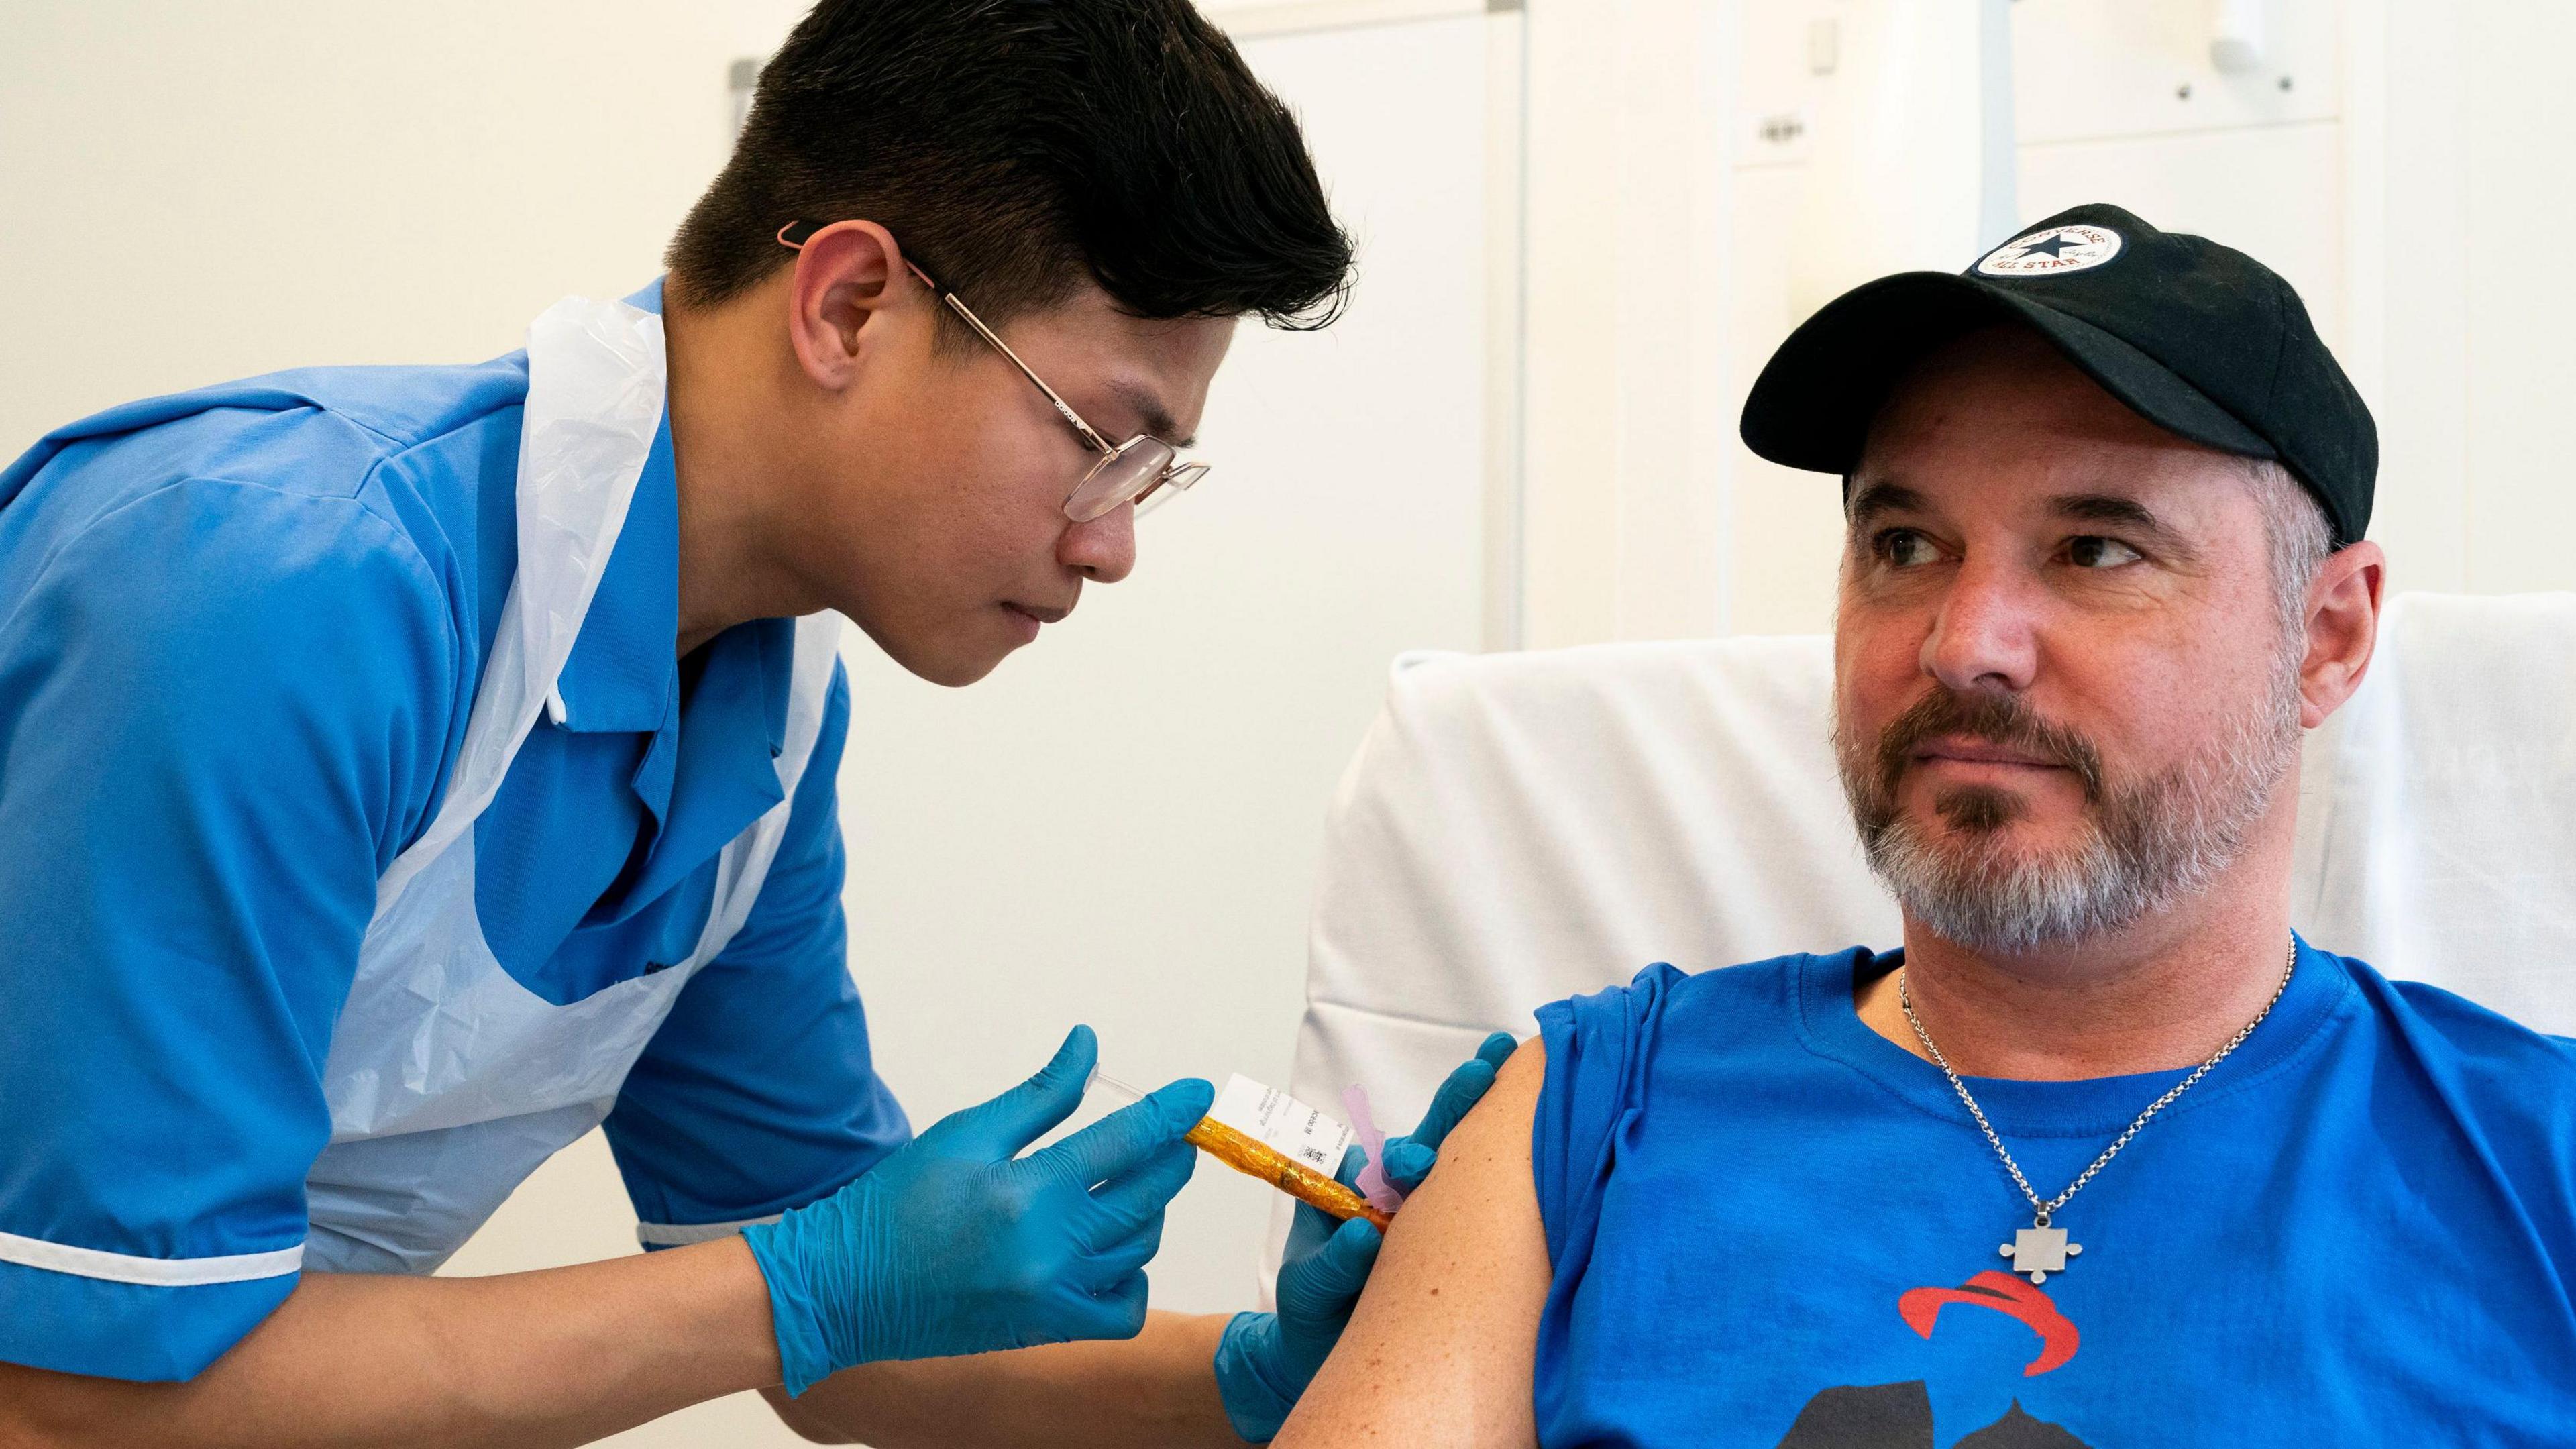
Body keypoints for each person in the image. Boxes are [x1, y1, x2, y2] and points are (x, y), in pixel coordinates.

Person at [0, 2, 1507, 1443]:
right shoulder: (283, 585)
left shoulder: (760, 723)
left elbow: (847, 1362)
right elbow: (68, 1397)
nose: (1113, 544)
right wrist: (799, 1287)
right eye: (1107, 445)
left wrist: (1253, 1383)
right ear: (849, 305)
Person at [1272, 205, 2576, 1447]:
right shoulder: (1587, 1123)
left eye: (2097, 551)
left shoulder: (2535, 1173)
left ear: (2328, 636)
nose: (1965, 646)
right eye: (1904, 545)